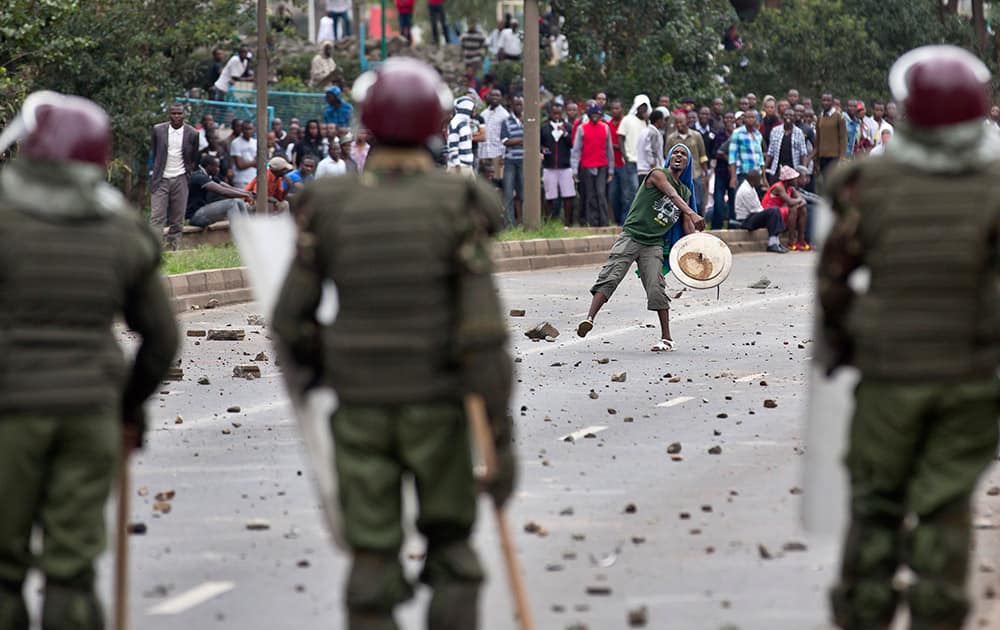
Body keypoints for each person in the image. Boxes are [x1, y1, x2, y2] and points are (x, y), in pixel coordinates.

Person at [272, 58, 515, 630]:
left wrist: (320, 370)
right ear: (436, 123)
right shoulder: (459, 202)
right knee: (453, 552)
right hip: (438, 404)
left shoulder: (327, 203)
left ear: (365, 124)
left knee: (372, 557)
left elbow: (289, 321)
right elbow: (484, 337)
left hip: (359, 408)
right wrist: (499, 445)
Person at [819, 45, 1000, 630]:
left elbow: (835, 279)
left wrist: (843, 344)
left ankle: (866, 613)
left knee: (875, 507)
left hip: (888, 376)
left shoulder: (865, 182)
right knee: (945, 509)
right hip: (970, 382)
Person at [0, 91, 178, 630]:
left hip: (9, 411)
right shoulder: (124, 231)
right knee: (71, 570)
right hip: (90, 413)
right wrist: (125, 406)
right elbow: (162, 339)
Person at [576, 143, 705, 351]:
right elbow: (671, 195)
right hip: (631, 236)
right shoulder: (657, 174)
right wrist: (692, 212)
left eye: (683, 154)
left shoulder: (686, 193)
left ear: (688, 162)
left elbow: (686, 227)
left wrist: (699, 248)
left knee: (656, 288)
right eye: (675, 152)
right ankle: (589, 319)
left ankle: (666, 338)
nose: (678, 156)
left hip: (653, 243)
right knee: (611, 276)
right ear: (669, 158)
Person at [150, 102, 200, 249]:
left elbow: (193, 157)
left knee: (177, 219)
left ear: (184, 115)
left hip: (181, 177)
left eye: (179, 113)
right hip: (161, 179)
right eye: (173, 113)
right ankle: (154, 250)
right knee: (157, 217)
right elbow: (156, 151)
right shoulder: (158, 130)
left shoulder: (192, 133)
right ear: (169, 115)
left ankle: (173, 249)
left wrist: (187, 175)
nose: (176, 116)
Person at [571, 102, 614, 227]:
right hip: (587, 165)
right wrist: (574, 170)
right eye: (593, 114)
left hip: (602, 165)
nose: (595, 116)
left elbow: (609, 149)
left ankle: (604, 222)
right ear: (589, 115)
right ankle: (593, 222)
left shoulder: (605, 128)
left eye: (597, 114)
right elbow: (576, 150)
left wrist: (611, 170)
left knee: (601, 193)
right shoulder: (581, 128)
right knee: (590, 195)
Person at [187, 154, 254, 227]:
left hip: (203, 211)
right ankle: (238, 233)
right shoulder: (199, 177)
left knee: (239, 201)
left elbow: (229, 187)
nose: (219, 169)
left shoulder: (210, 176)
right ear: (209, 166)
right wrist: (246, 195)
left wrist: (248, 193)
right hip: (195, 216)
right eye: (217, 166)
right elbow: (223, 191)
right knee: (232, 203)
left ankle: (248, 231)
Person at [733, 168, 786, 253]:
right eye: (759, 179)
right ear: (753, 180)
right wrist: (767, 213)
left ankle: (776, 242)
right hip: (745, 220)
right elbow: (755, 210)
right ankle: (772, 244)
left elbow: (758, 208)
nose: (760, 181)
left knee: (775, 210)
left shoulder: (751, 187)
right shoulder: (745, 190)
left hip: (752, 216)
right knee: (773, 211)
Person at [666, 111, 708, 214]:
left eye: (681, 122)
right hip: (678, 176)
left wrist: (705, 172)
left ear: (687, 122)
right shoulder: (671, 138)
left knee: (697, 202)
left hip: (695, 173)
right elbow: (667, 156)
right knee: (680, 203)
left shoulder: (696, 136)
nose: (679, 125)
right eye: (677, 123)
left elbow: (702, 155)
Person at [540, 100, 575, 224]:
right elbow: (540, 143)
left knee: (567, 195)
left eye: (559, 113)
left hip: (565, 166)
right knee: (549, 196)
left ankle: (567, 223)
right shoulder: (544, 127)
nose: (556, 116)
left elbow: (572, 144)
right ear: (550, 113)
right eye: (554, 113)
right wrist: (542, 150)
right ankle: (548, 222)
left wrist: (564, 132)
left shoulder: (569, 127)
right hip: (549, 166)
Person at [618, 94, 651, 214]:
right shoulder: (627, 119)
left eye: (645, 107)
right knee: (631, 191)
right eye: (641, 107)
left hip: (645, 164)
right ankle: (625, 220)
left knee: (643, 193)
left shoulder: (647, 123)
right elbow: (620, 137)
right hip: (631, 161)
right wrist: (625, 155)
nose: (643, 109)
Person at [761, 165, 807, 250]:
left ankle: (801, 241)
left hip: (780, 211)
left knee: (802, 209)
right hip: (770, 213)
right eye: (794, 178)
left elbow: (803, 201)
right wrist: (799, 200)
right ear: (788, 180)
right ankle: (791, 241)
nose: (796, 180)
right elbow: (790, 201)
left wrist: (800, 200)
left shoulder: (791, 188)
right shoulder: (779, 187)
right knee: (793, 209)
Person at [500, 95, 524, 226]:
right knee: (508, 193)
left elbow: (534, 140)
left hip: (524, 161)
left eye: (521, 104)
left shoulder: (528, 120)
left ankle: (525, 223)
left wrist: (517, 141)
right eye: (517, 104)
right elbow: (505, 141)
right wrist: (523, 140)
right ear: (512, 105)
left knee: (523, 193)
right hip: (510, 161)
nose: (519, 107)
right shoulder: (506, 121)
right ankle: (509, 224)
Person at [766, 108, 808, 182]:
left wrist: (803, 172)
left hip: (793, 170)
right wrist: (764, 169)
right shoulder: (775, 131)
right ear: (782, 117)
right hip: (777, 169)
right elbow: (770, 152)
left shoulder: (799, 132)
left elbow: (803, 153)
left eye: (791, 115)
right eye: (786, 115)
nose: (788, 117)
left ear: (794, 118)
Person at [728, 109, 764, 192]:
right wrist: (733, 177)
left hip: (756, 173)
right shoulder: (737, 133)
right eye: (748, 117)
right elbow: (732, 156)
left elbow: (760, 157)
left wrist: (764, 177)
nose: (750, 119)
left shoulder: (758, 134)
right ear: (744, 119)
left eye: (753, 117)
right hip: (743, 173)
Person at [710, 111, 735, 229]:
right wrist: (727, 157)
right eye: (727, 118)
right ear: (723, 120)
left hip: (734, 173)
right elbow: (715, 153)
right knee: (718, 202)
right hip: (721, 172)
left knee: (733, 203)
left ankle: (732, 227)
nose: (729, 120)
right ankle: (716, 228)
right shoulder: (719, 135)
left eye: (731, 117)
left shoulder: (738, 134)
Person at [478, 88, 509, 184]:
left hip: (497, 154)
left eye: (497, 95)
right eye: (492, 95)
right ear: (488, 97)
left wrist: (504, 156)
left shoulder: (505, 115)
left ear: (501, 98)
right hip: (483, 153)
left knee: (497, 181)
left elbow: (507, 136)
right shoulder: (483, 114)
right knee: (483, 181)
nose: (495, 97)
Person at [607, 99, 629, 225]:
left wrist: (617, 146)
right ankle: (616, 220)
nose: (615, 110)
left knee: (625, 195)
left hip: (624, 164)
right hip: (611, 165)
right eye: (613, 108)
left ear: (622, 109)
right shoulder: (608, 125)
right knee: (613, 195)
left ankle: (624, 222)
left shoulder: (625, 123)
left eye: (617, 108)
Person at [815, 93, 847, 175]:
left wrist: (842, 157)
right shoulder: (820, 117)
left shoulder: (839, 117)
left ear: (832, 102)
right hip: (822, 156)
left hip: (834, 157)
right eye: (824, 100)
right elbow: (818, 138)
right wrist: (816, 158)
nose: (826, 102)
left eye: (828, 100)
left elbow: (843, 138)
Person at [447, 96, 476, 176]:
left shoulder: (465, 123)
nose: (474, 110)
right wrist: (457, 165)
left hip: (467, 166)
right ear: (466, 107)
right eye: (472, 108)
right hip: (459, 167)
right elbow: (452, 146)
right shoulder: (455, 123)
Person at [637, 109, 666, 177]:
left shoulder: (644, 131)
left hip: (641, 168)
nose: (664, 122)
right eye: (663, 120)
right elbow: (650, 149)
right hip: (649, 170)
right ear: (659, 120)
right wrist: (653, 165)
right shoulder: (654, 133)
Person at [229, 120, 258, 189]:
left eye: (250, 129)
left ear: (253, 129)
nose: (248, 131)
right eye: (246, 129)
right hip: (241, 179)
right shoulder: (236, 143)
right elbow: (240, 165)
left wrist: (248, 163)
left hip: (254, 178)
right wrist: (254, 162)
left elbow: (259, 162)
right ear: (242, 130)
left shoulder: (255, 142)